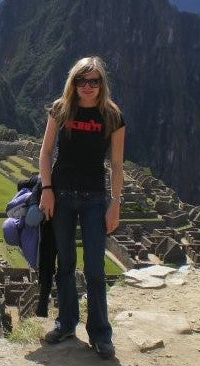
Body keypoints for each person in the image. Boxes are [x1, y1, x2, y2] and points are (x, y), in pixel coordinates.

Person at [39, 56, 125, 360]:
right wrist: (47, 190)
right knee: (65, 264)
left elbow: (117, 164)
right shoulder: (60, 109)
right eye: (82, 80)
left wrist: (115, 203)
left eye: (94, 81)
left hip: (94, 199)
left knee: (94, 268)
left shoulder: (112, 116)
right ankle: (66, 323)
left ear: (102, 84)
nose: (87, 86)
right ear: (73, 82)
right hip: (61, 195)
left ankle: (100, 334)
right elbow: (46, 152)